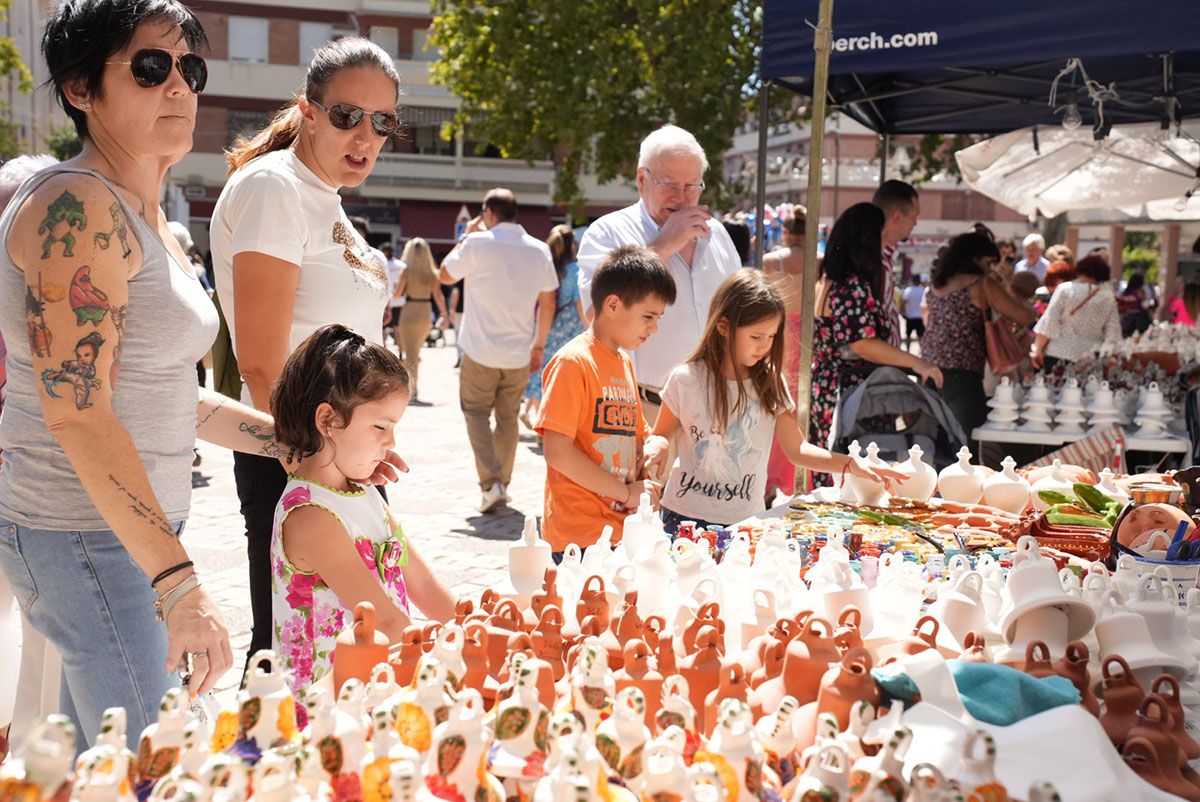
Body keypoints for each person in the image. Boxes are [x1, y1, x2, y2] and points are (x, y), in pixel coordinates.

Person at [0, 0, 328, 751]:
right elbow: (79, 413)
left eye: (191, 68)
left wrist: (298, 445)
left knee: (105, 768)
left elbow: (169, 393)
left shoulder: (142, 213)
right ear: (81, 90)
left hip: (125, 533)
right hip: (81, 535)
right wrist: (179, 583)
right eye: (150, 68)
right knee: (155, 763)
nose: (179, 86)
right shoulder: (78, 209)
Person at [210, 36, 406, 662]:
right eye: (348, 116)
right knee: (285, 659)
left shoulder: (327, 202)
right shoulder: (275, 188)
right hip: (293, 456)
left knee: (350, 653)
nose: (365, 136)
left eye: (382, 123)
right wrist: (315, 468)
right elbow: (264, 361)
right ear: (309, 110)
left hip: (337, 458)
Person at [269, 324, 453, 700]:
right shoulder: (311, 514)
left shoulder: (365, 493)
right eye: (380, 426)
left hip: (379, 683)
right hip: (329, 707)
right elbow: (382, 620)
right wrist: (448, 664)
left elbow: (424, 584)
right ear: (329, 421)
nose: (391, 441)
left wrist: (467, 626)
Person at [644, 270, 901, 533]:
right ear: (723, 327)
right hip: (684, 516)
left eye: (771, 337)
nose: (764, 346)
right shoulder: (686, 379)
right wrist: (657, 446)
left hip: (746, 521)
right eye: (756, 337)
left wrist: (850, 463)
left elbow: (797, 449)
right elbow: (661, 434)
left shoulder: (770, 381)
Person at [576, 125, 739, 440]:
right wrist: (663, 245)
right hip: (643, 411)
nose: (682, 197)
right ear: (641, 180)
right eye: (669, 184)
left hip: (716, 409)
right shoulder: (607, 233)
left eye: (692, 185)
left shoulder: (717, 235)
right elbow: (596, 318)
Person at [536, 246, 674, 557]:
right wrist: (627, 493)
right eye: (648, 316)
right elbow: (557, 452)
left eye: (658, 317)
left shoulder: (623, 362)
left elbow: (637, 432)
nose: (654, 328)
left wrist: (655, 443)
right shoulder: (573, 362)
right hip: (580, 539)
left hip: (622, 532)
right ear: (612, 304)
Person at [439, 188, 558, 514]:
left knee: (476, 413)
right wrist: (539, 345)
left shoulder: (477, 244)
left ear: (488, 213)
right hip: (519, 352)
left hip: (480, 351)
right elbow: (548, 302)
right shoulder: (539, 250)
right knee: (507, 420)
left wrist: (467, 237)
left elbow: (445, 274)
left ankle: (491, 484)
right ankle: (500, 483)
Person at [809, 203, 943, 481]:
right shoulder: (850, 284)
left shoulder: (828, 279)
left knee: (834, 472)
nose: (884, 244)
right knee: (850, 476)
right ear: (867, 239)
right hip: (846, 395)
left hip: (829, 388)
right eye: (881, 236)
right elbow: (862, 343)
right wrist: (918, 364)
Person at [920, 233, 1037, 440]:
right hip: (962, 373)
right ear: (974, 258)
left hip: (929, 368)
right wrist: (1009, 285)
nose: (991, 268)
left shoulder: (937, 284)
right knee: (970, 442)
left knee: (935, 441)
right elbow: (1025, 315)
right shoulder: (980, 284)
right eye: (989, 262)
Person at [521, 224, 585, 430]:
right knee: (558, 376)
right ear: (572, 246)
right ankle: (543, 422)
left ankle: (532, 412)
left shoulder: (546, 268)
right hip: (567, 332)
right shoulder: (576, 272)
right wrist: (590, 329)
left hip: (543, 328)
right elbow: (579, 303)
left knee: (541, 372)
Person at [761, 209, 805, 501]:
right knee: (797, 407)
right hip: (805, 333)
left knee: (773, 401)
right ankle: (798, 477)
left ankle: (768, 479)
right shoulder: (817, 258)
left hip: (778, 329)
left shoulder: (771, 260)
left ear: (786, 232)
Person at [1032, 254, 1121, 370]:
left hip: (1059, 352)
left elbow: (1050, 322)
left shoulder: (1065, 289)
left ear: (1080, 269)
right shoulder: (1108, 298)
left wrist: (1038, 349)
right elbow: (1113, 333)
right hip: (1090, 358)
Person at [394, 237, 448, 399]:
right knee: (415, 351)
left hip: (409, 311)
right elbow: (438, 296)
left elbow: (397, 294)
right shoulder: (432, 273)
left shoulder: (406, 271)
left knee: (409, 353)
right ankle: (413, 386)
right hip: (425, 312)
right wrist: (444, 313)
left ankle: (412, 389)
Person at [873, 180, 921, 348]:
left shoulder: (884, 257)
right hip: (871, 369)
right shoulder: (871, 262)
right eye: (914, 216)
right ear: (897, 217)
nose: (915, 223)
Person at [381, 241, 406, 348]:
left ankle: (383, 349)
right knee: (398, 327)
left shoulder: (381, 264)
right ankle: (401, 351)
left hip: (385, 300)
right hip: (399, 300)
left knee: (383, 327)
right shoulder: (401, 265)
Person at [1118, 271, 1155, 336]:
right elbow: (1144, 304)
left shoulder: (1126, 292)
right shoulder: (1139, 292)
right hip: (1138, 320)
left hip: (1127, 319)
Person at [901, 276, 926, 344]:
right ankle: (921, 351)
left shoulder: (908, 290)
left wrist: (902, 312)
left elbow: (903, 303)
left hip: (910, 316)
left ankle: (907, 351)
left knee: (908, 336)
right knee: (921, 336)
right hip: (920, 317)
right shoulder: (923, 291)